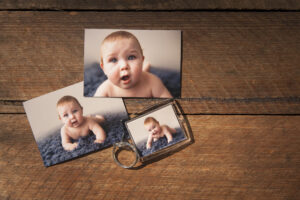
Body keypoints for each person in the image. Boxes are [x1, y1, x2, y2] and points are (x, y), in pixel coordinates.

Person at [94, 30, 172, 98]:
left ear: (142, 60)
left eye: (131, 57)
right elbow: (94, 109)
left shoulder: (152, 82)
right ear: (104, 68)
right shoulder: (106, 88)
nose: (124, 65)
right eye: (114, 60)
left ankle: (145, 68)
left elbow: (169, 103)